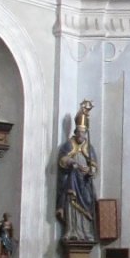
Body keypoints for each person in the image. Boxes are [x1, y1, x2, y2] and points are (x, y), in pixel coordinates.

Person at [57, 102, 98, 244]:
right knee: (71, 203)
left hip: (85, 182)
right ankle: (71, 230)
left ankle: (85, 232)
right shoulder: (68, 145)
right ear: (75, 132)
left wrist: (91, 170)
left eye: (83, 132)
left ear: (86, 132)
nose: (81, 135)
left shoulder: (89, 147)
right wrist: (72, 163)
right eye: (79, 132)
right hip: (72, 181)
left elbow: (94, 165)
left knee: (86, 204)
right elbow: (62, 159)